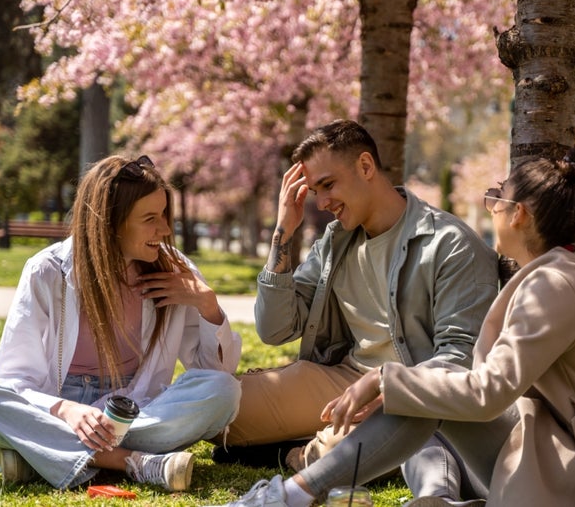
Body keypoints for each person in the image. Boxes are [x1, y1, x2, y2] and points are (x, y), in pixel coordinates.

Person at [208, 141, 575, 507]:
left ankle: (290, 496)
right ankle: (398, 493)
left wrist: (387, 379)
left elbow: (486, 391)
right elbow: (275, 326)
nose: (490, 210)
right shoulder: (553, 276)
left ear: (518, 214)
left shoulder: (554, 285)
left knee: (423, 389)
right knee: (423, 388)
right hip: (555, 451)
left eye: (495, 200)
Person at [212, 119, 499, 504]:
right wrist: (283, 230)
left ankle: (308, 454)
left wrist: (390, 388)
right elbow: (275, 329)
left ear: (366, 167)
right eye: (314, 191)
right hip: (343, 382)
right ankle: (311, 448)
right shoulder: (336, 241)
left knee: (345, 452)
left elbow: (460, 358)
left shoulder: (451, 245)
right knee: (216, 411)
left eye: (328, 185)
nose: (321, 202)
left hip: (411, 398)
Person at [0, 154, 242, 492]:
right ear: (112, 222)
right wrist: (66, 410)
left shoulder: (173, 270)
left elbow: (216, 370)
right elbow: (13, 380)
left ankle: (36, 453)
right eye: (151, 218)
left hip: (135, 411)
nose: (165, 229)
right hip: (56, 407)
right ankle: (131, 461)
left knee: (223, 391)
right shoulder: (47, 271)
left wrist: (207, 305)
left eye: (165, 215)